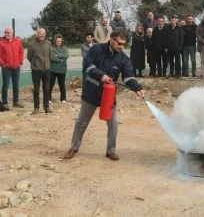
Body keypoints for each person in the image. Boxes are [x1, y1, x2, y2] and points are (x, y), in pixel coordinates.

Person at [62, 31, 145, 161]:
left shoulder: (124, 59)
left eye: (124, 44)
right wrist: (101, 75)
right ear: (112, 40)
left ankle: (110, 151)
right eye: (119, 43)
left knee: (113, 124)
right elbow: (88, 66)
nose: (121, 47)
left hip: (109, 94)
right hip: (91, 92)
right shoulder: (96, 49)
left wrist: (137, 88)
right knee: (81, 122)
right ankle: (74, 147)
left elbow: (128, 77)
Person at [0, 27, 24, 109]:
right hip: (6, 68)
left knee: (16, 85)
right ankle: (5, 102)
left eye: (8, 32)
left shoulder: (17, 41)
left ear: (12, 33)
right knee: (5, 85)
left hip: (16, 67)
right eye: (5, 32)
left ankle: (16, 101)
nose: (6, 34)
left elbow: (21, 52)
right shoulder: (1, 42)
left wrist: (20, 62)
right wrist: (3, 64)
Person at [27, 28, 52, 114]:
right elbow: (29, 56)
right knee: (36, 90)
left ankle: (46, 107)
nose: (42, 35)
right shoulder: (32, 44)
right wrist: (35, 64)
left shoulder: (48, 43)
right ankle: (36, 108)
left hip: (46, 70)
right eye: (40, 33)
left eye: (43, 34)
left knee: (46, 89)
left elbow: (50, 55)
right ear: (37, 34)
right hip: (36, 70)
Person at [49, 34, 69, 104]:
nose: (58, 43)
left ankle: (63, 99)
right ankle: (48, 99)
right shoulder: (51, 48)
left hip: (62, 70)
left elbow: (66, 56)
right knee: (51, 84)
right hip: (53, 69)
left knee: (62, 85)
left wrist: (57, 55)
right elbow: (51, 57)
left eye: (60, 41)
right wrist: (60, 60)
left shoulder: (64, 48)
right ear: (55, 41)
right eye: (57, 41)